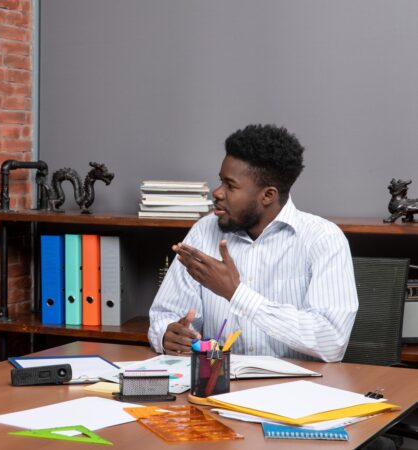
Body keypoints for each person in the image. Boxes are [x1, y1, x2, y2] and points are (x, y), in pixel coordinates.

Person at [148, 124, 358, 362]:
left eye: (230, 185)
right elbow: (165, 314)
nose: (217, 192)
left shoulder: (323, 239)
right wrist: (167, 334)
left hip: (298, 390)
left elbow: (331, 342)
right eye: (220, 181)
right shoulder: (204, 232)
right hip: (222, 387)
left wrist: (235, 293)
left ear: (267, 195)